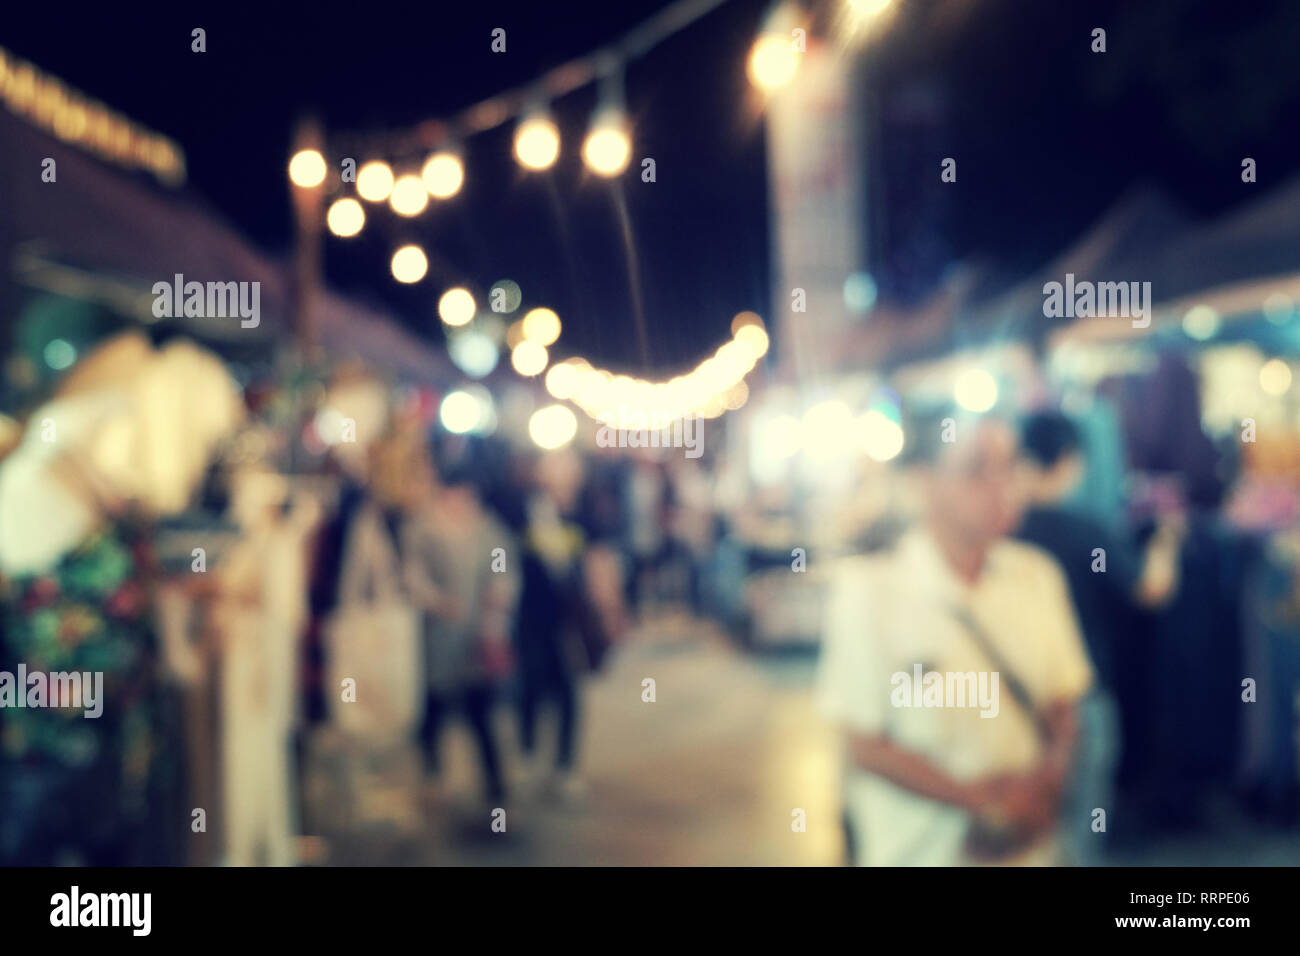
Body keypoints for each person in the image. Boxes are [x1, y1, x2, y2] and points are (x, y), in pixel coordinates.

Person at [817, 405, 1093, 866]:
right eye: (976, 470)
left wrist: (1046, 781)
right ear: (923, 482)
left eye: (1009, 467)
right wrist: (978, 801)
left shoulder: (1037, 576)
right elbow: (864, 744)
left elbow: (1064, 700)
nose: (1002, 486)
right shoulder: (870, 591)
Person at [1014, 410, 1184, 863]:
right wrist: (1166, 541)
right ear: (1070, 461)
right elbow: (1151, 589)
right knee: (1079, 837)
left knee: (1022, 835)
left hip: (1013, 700)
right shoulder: (1086, 532)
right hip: (1081, 698)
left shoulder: (1003, 531)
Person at [402, 444, 517, 806]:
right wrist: (436, 601)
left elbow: (503, 569)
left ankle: (495, 789)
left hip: (476, 638)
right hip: (435, 637)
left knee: (481, 714)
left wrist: (499, 595)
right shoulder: (423, 529)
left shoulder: (487, 529)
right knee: (433, 709)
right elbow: (412, 575)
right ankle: (432, 774)